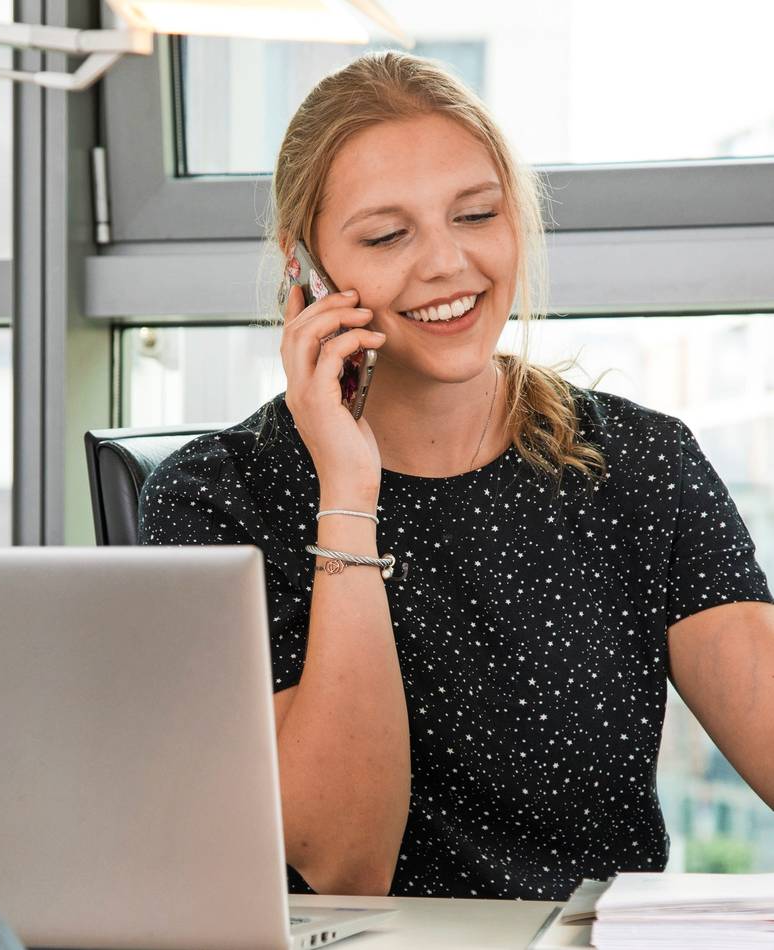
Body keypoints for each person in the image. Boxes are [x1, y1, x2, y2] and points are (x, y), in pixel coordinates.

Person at [138, 51, 774, 901]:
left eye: (475, 215)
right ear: (305, 269)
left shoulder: (642, 463)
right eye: (387, 235)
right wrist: (347, 492)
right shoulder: (216, 498)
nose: (446, 263)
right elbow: (344, 861)